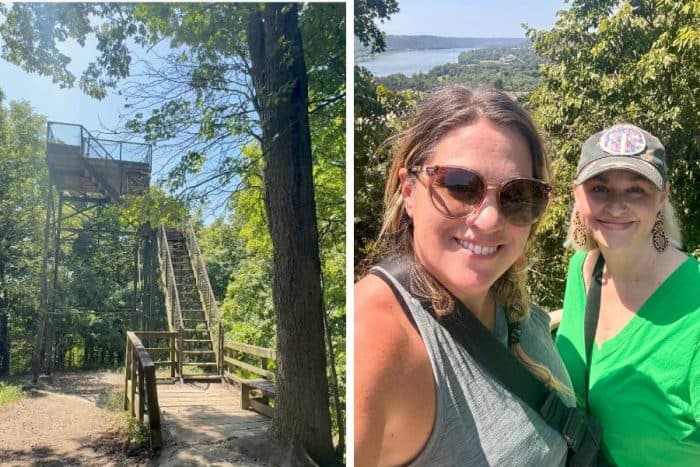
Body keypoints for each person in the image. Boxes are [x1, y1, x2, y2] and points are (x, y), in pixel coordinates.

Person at [355, 86, 576, 466]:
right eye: (459, 186)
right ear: (409, 191)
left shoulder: (510, 301)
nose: (490, 219)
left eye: (517, 195)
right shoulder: (376, 338)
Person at [555, 123, 700, 466]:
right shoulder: (584, 272)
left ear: (662, 195)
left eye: (636, 190)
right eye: (600, 188)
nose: (617, 206)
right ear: (577, 193)